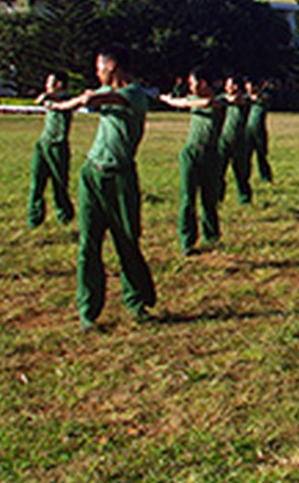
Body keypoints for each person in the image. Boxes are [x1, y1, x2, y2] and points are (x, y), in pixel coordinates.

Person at [46, 44, 155, 331]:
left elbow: (94, 99)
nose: (96, 73)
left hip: (120, 178)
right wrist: (57, 105)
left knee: (126, 241)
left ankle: (137, 302)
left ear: (112, 67)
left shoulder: (133, 94)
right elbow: (88, 100)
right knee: (88, 245)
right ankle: (88, 312)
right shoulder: (107, 95)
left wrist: (79, 99)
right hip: (92, 174)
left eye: (99, 68)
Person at [159, 66, 224, 255]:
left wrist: (183, 102)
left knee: (208, 198)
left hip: (211, 154)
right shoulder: (193, 99)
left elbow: (208, 104)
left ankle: (211, 236)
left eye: (192, 83)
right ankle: (187, 241)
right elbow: (180, 103)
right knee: (188, 198)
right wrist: (167, 99)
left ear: (203, 83)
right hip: (190, 153)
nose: (190, 87)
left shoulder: (218, 101)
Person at [28, 71, 76, 228]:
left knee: (59, 185)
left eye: (50, 82)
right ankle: (34, 217)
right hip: (43, 144)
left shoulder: (67, 100)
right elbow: (40, 101)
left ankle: (65, 215)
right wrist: (47, 97)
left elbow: (63, 101)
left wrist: (49, 97)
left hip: (58, 146)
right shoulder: (50, 99)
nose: (47, 85)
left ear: (59, 85)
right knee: (37, 182)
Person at [217, 74, 253, 205]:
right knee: (219, 171)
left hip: (240, 141)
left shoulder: (245, 99)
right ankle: (217, 196)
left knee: (241, 172)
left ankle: (244, 198)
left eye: (231, 85)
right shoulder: (221, 98)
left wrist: (229, 100)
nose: (228, 87)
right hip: (223, 139)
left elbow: (241, 100)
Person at [245, 77, 273, 184]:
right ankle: (245, 176)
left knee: (262, 155)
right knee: (246, 157)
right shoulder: (244, 99)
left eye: (251, 86)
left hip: (259, 131)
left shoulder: (263, 97)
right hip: (246, 131)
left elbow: (264, 99)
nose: (249, 88)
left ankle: (265, 177)